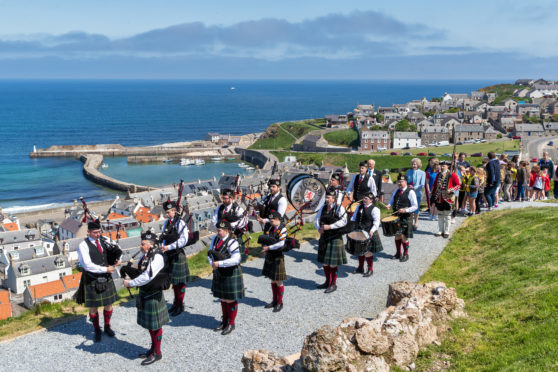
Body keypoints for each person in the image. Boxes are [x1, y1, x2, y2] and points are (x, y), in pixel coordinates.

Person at [123, 232, 170, 366]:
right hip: (145, 293)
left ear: (150, 245)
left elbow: (147, 276)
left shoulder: (157, 257)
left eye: (143, 243)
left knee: (155, 326)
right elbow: (141, 272)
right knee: (151, 326)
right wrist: (128, 271)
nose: (141, 245)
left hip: (153, 295)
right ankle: (153, 348)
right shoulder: (145, 256)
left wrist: (130, 283)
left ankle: (157, 352)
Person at [75, 220, 121, 342]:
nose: (98, 234)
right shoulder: (83, 246)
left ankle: (107, 326)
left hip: (106, 277)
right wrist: (105, 269)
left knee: (108, 304)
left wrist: (118, 259)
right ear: (88, 232)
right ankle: (96, 329)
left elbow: (117, 248)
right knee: (94, 306)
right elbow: (87, 265)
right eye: (95, 232)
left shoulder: (104, 240)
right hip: (92, 278)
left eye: (99, 232)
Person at [208, 220, 244, 335]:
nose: (217, 232)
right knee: (223, 298)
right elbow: (210, 253)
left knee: (230, 299)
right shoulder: (215, 239)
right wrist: (212, 263)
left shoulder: (232, 242)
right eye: (217, 230)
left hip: (230, 272)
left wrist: (220, 264)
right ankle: (224, 321)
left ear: (227, 230)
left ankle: (231, 323)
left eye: (220, 230)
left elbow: (236, 259)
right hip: (219, 271)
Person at [314, 187, 348, 293]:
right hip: (324, 236)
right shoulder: (323, 207)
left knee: (332, 263)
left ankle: (333, 284)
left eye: (329, 197)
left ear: (334, 199)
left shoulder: (339, 208)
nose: (327, 199)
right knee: (325, 262)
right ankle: (327, 281)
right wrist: (318, 228)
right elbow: (317, 219)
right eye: (326, 197)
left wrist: (330, 226)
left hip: (334, 236)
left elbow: (344, 221)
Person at [160, 200, 189, 316]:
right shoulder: (166, 223)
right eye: (166, 212)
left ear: (174, 211)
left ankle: (180, 304)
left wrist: (169, 247)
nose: (167, 214)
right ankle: (175, 303)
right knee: (173, 282)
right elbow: (163, 236)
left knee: (179, 282)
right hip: (169, 255)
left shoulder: (180, 223)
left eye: (169, 212)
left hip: (177, 254)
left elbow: (184, 240)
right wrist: (162, 245)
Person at [349, 191, 383, 276]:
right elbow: (354, 217)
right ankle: (360, 268)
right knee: (359, 250)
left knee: (368, 252)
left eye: (366, 198)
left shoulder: (375, 209)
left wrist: (372, 230)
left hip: (369, 232)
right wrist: (352, 226)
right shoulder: (359, 206)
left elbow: (377, 222)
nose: (364, 200)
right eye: (364, 198)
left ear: (371, 200)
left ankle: (370, 269)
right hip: (359, 231)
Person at [386, 174, 418, 261]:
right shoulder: (396, 190)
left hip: (405, 217)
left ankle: (406, 254)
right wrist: (389, 205)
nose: (399, 183)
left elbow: (415, 206)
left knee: (404, 236)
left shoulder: (411, 192)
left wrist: (405, 210)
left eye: (401, 181)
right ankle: (398, 253)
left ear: (406, 182)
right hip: (395, 217)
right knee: (397, 235)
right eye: (398, 181)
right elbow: (392, 200)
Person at [260, 211, 287, 312]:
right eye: (270, 221)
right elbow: (266, 239)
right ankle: (274, 300)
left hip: (277, 256)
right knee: (272, 279)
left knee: (278, 281)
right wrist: (264, 247)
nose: (270, 222)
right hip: (270, 255)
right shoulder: (271, 228)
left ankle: (280, 302)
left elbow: (281, 243)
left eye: (272, 221)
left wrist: (268, 248)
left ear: (277, 220)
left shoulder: (283, 229)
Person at [431, 161, 461, 238]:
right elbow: (435, 186)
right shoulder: (438, 175)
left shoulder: (451, 175)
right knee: (440, 214)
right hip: (439, 197)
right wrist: (433, 194)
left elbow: (458, 185)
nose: (441, 167)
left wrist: (451, 190)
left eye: (443, 166)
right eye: (441, 166)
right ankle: (440, 230)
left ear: (447, 166)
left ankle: (446, 231)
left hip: (448, 197)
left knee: (447, 215)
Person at [406, 158, 426, 230]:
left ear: (418, 165)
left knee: (416, 208)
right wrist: (407, 185)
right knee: (410, 208)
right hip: (409, 193)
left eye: (415, 164)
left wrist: (414, 187)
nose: (413, 165)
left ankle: (416, 222)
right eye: (412, 164)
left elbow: (422, 185)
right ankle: (410, 223)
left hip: (417, 193)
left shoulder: (422, 173)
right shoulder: (408, 172)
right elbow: (405, 181)